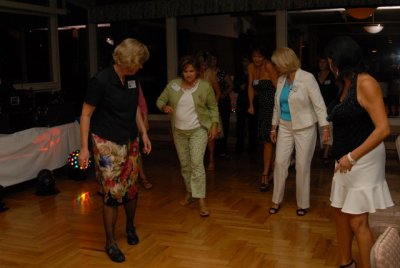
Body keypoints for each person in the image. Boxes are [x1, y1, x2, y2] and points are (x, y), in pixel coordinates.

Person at [78, 38, 151, 263]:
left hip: (130, 140)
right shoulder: (100, 81)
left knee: (130, 188)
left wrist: (144, 133)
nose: (141, 67)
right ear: (128, 61)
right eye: (139, 63)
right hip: (107, 144)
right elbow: (86, 115)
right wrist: (84, 148)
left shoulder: (132, 78)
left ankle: (130, 227)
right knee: (111, 194)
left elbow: (135, 109)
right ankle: (109, 242)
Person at [325, 36, 394, 268]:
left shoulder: (366, 83)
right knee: (339, 212)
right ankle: (347, 263)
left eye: (331, 60)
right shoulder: (346, 83)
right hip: (345, 158)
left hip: (364, 159)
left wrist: (352, 157)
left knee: (357, 221)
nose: (329, 64)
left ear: (341, 61)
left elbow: (384, 128)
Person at [269, 47, 330, 216]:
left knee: (302, 166)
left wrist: (325, 128)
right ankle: (276, 200)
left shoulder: (307, 78)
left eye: (276, 64)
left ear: (284, 62)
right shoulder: (281, 79)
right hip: (285, 127)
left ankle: (302, 203)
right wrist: (274, 127)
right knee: (280, 162)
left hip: (305, 127)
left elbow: (319, 104)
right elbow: (277, 106)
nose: (275, 68)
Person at [156, 55, 219, 217]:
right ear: (182, 72)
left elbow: (213, 108)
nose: (189, 74)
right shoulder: (174, 85)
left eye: (191, 71)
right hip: (179, 132)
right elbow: (160, 100)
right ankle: (190, 193)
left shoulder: (205, 86)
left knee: (197, 163)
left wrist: (214, 125)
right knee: (185, 165)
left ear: (197, 71)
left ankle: (201, 200)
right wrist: (164, 107)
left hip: (198, 130)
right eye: (185, 71)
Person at [247, 45, 279, 191]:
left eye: (260, 56)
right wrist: (251, 104)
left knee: (268, 141)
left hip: (273, 108)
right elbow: (250, 86)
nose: (257, 59)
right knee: (267, 141)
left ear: (264, 57)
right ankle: (272, 171)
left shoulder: (269, 67)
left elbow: (278, 87)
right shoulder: (251, 67)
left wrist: (279, 109)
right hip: (262, 108)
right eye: (254, 56)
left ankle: (265, 173)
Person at [197, 51, 222, 171]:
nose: (203, 67)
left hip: (208, 110)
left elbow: (218, 92)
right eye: (201, 64)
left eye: (205, 65)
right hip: (196, 110)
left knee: (210, 136)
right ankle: (198, 161)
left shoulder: (210, 74)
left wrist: (212, 106)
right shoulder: (194, 74)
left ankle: (211, 159)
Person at [314, 56, 340, 164]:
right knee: (321, 130)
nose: (321, 64)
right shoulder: (315, 76)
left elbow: (340, 87)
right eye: (320, 62)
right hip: (317, 108)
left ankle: (325, 154)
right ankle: (325, 150)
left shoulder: (332, 76)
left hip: (330, 107)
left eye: (323, 62)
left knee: (329, 129)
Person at [209, 53, 234, 159]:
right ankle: (212, 151)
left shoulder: (221, 72)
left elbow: (231, 85)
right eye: (211, 59)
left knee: (223, 126)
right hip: (211, 102)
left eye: (214, 59)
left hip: (223, 102)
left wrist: (223, 94)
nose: (212, 61)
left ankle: (222, 150)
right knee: (212, 126)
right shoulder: (206, 73)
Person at [233, 56, 258, 153]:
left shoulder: (255, 72)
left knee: (252, 126)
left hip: (253, 102)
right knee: (240, 126)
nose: (246, 63)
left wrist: (253, 89)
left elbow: (257, 86)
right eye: (244, 61)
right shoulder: (239, 73)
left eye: (247, 61)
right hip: (242, 102)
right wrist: (240, 87)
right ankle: (239, 149)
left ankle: (252, 149)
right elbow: (235, 88)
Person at [138, 84, 153, 190]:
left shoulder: (133, 81)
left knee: (136, 151)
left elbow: (141, 100)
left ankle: (142, 176)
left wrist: (145, 118)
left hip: (134, 120)